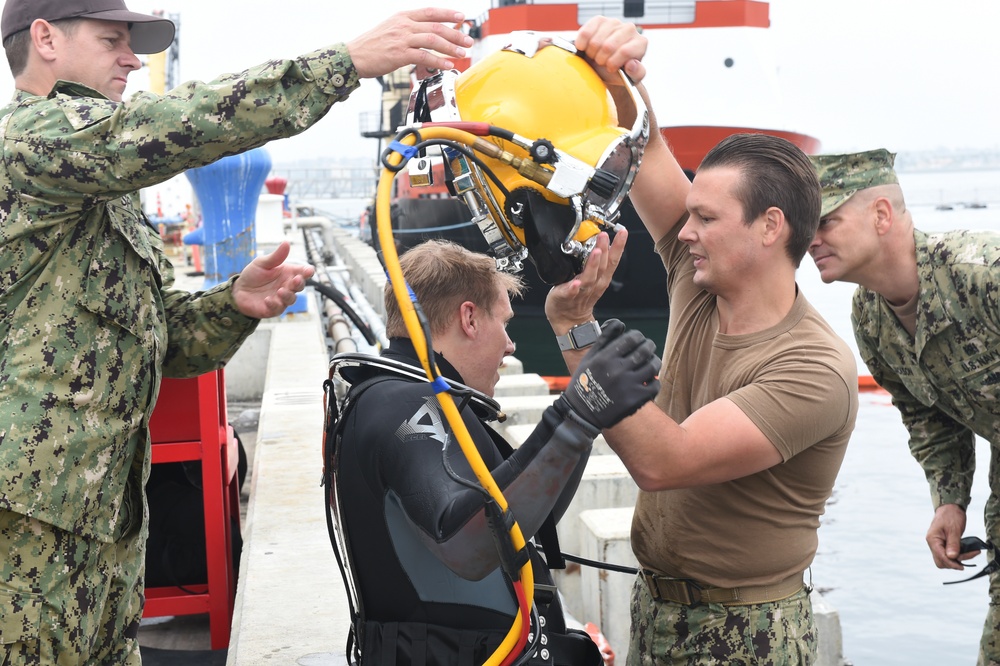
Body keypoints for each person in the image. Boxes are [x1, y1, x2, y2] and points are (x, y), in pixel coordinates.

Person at [0, 1, 474, 663]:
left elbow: (169, 343)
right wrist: (344, 65)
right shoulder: (32, 139)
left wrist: (234, 304)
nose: (134, 60)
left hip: (102, 520)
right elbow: (175, 124)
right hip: (33, 525)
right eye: (113, 40)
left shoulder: (97, 185)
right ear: (44, 40)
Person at [542, 17, 860, 664]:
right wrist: (620, 72)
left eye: (705, 218)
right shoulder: (699, 278)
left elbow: (666, 462)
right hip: (658, 609)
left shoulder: (813, 367)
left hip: (746, 633)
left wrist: (578, 334)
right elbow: (651, 151)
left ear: (770, 228)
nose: (684, 230)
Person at [326, 239, 661, 665]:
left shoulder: (413, 398)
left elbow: (524, 519)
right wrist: (574, 416)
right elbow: (468, 545)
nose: (510, 344)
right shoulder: (403, 407)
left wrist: (587, 419)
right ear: (469, 317)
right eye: (504, 323)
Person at [809, 148, 1000, 663]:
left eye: (826, 220)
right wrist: (949, 499)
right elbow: (925, 413)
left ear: (881, 215)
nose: (810, 239)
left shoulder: (984, 275)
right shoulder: (870, 317)